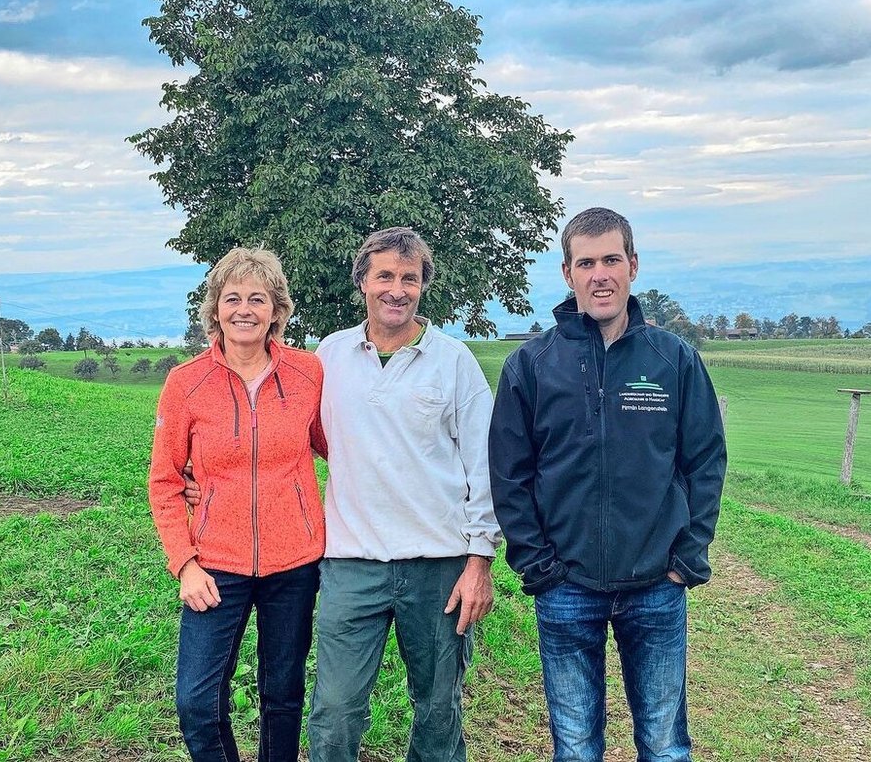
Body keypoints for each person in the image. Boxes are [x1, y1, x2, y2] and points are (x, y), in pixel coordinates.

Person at [488, 207, 727, 762]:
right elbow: (509, 476)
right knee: (575, 747)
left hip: (656, 586)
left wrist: (686, 557)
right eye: (587, 262)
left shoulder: (673, 360)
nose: (601, 274)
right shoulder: (532, 364)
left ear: (633, 266)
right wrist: (537, 566)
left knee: (665, 745)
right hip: (565, 586)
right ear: (568, 273)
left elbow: (705, 461)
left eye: (612, 259)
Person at [307, 226, 500, 762]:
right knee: (335, 711)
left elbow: (484, 464)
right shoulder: (330, 355)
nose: (397, 288)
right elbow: (292, 433)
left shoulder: (453, 360)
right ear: (363, 283)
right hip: (351, 562)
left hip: (439, 564)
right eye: (385, 276)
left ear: (422, 287)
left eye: (409, 278)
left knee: (439, 709)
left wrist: (480, 558)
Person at [148, 246, 327, 762]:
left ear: (277, 310)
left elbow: (335, 447)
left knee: (283, 694)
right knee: (197, 702)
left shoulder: (308, 373)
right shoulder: (185, 384)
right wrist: (183, 563)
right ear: (215, 309)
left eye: (258, 298)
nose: (244, 309)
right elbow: (164, 481)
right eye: (233, 298)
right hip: (214, 565)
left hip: (294, 563)